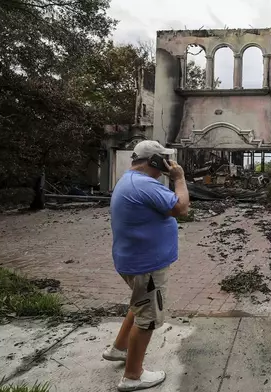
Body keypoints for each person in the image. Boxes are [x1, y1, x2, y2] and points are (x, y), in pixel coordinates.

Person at [103, 140, 190, 391]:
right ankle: (133, 376)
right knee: (148, 318)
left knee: (140, 303)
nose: (169, 162)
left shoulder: (130, 180)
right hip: (146, 265)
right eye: (164, 158)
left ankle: (119, 348)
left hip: (135, 260)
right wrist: (179, 179)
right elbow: (181, 207)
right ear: (154, 161)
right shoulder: (144, 185)